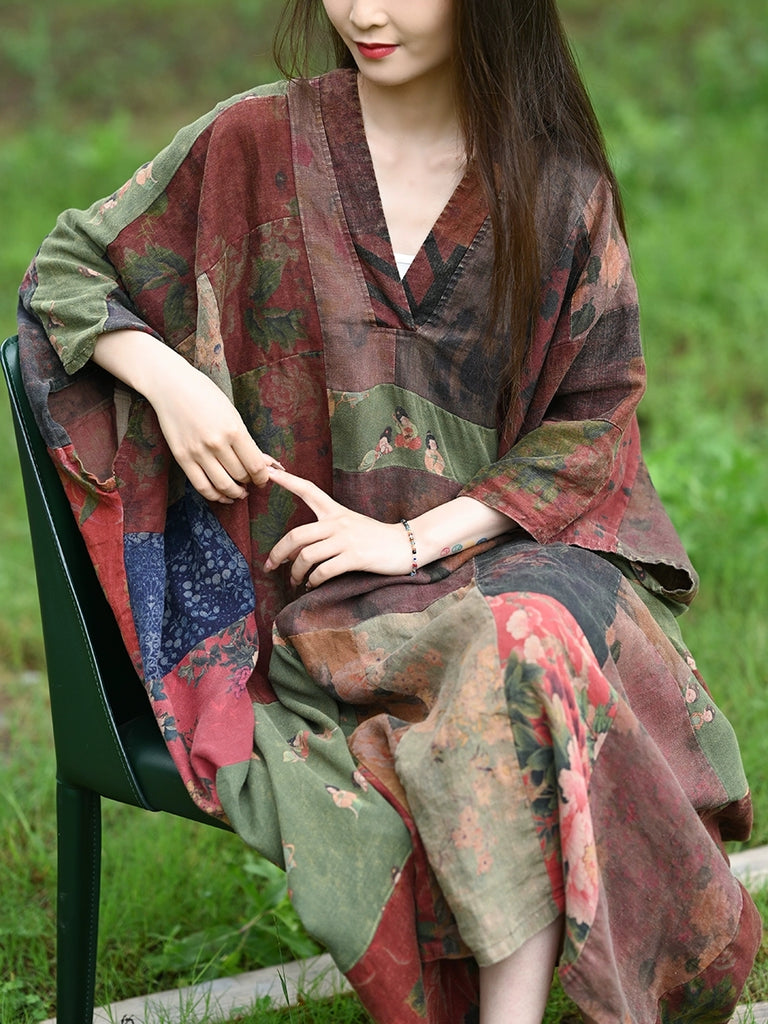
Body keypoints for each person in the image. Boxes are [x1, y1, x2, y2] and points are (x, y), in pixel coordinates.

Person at [17, 1, 761, 1021]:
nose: (363, 11)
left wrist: (411, 538)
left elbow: (592, 424)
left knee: (525, 634)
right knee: (520, 645)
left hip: (503, 557)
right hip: (318, 597)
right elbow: (66, 268)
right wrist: (167, 378)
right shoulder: (254, 142)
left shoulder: (555, 190)